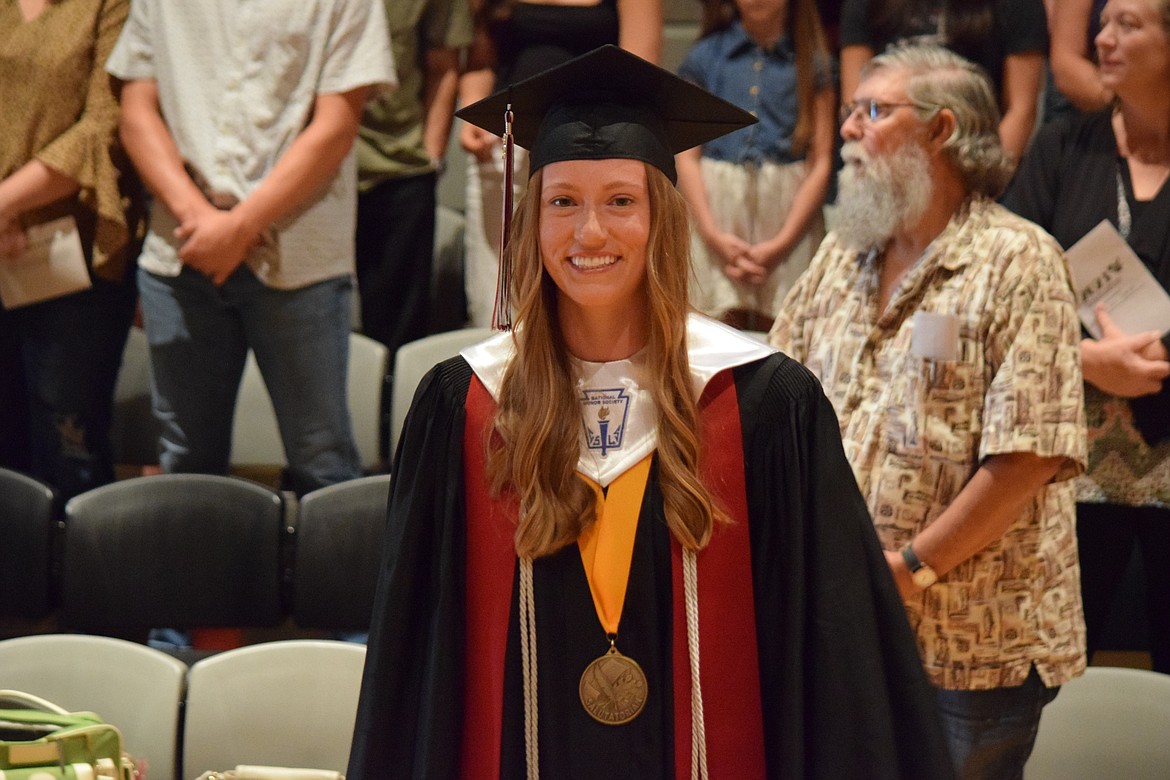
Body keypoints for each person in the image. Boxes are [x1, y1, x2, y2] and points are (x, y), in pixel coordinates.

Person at [348, 45, 953, 779]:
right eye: (562, 200)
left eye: (620, 201)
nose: (589, 232)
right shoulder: (466, 404)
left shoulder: (762, 404)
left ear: (661, 218)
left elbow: (833, 659)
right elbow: (417, 667)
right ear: (530, 217)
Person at [771, 45, 1087, 780]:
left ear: (942, 130)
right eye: (849, 110)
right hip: (843, 621)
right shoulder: (842, 255)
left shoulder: (1020, 260)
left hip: (971, 641)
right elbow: (772, 388)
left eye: (873, 111)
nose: (847, 128)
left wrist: (911, 569)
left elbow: (1029, 456)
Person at [105, 0, 395, 495]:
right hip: (181, 248)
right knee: (186, 462)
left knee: (321, 459)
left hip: (300, 256)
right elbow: (136, 110)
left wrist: (238, 227)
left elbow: (336, 126)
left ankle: (328, 576)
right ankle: (200, 574)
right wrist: (202, 219)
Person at [1004, 0, 1170, 674]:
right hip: (1073, 452)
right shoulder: (1062, 145)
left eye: (1127, 24)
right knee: (1063, 668)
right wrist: (1087, 359)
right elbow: (1010, 289)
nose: (1101, 38)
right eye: (1102, 21)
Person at [0, 0, 145, 499]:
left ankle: (73, 577)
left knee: (68, 444)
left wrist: (3, 204)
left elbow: (105, 125)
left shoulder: (112, 5)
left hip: (74, 253)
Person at [458, 0, 662, 327]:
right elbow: (482, 61)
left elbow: (639, 64)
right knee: (495, 299)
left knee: (582, 287)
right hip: (505, 151)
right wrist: (474, 113)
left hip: (589, 151)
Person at [675, 0, 836, 332]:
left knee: (784, 326)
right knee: (711, 323)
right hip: (714, 209)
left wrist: (782, 244)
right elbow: (687, 155)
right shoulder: (706, 56)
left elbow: (821, 161)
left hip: (788, 215)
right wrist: (711, 233)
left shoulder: (812, 62)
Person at [355, 0, 473, 360]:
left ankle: (393, 413)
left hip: (400, 166)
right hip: (307, 174)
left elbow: (444, 64)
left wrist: (430, 157)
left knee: (398, 337)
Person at [837, 0, 1047, 163]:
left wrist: (982, 181)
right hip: (888, 163)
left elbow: (1021, 110)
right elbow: (855, 105)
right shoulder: (865, 4)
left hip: (976, 157)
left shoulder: (1017, 5)